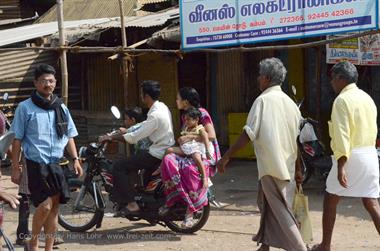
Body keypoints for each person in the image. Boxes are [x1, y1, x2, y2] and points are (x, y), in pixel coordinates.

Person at [217, 58, 306, 251]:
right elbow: (297, 140)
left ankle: (300, 248)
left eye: (259, 76)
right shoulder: (291, 104)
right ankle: (265, 245)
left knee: (282, 212)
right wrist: (298, 168)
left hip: (271, 167)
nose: (258, 79)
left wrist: (226, 157)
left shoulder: (263, 100)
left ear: (266, 78)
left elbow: (247, 134)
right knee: (266, 204)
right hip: (287, 166)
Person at [10, 64, 83, 251]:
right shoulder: (25, 108)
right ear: (36, 83)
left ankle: (48, 248)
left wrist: (75, 158)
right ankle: (33, 242)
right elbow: (17, 139)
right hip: (35, 164)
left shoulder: (61, 107)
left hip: (57, 163)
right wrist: (15, 167)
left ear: (55, 82)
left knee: (55, 209)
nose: (47, 84)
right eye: (43, 81)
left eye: (51, 81)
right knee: (45, 206)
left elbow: (69, 136)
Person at [311, 61, 380, 251]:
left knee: (330, 197)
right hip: (369, 154)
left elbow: (342, 135)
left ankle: (325, 245)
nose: (331, 82)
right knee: (371, 201)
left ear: (341, 79)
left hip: (351, 156)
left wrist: (341, 164)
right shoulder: (367, 98)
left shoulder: (342, 100)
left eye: (333, 78)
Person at [99, 80, 174, 215]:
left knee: (119, 167)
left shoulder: (156, 114)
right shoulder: (162, 107)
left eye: (141, 93)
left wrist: (111, 137)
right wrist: (128, 129)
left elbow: (134, 138)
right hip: (162, 148)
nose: (140, 96)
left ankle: (132, 204)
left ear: (145, 96)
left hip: (156, 152)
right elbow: (144, 125)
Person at [158, 87, 221, 228]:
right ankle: (172, 200)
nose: (176, 101)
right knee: (168, 160)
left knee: (188, 169)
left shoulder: (202, 113)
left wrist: (189, 137)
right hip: (189, 151)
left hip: (203, 152)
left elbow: (210, 136)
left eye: (178, 98)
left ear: (185, 101)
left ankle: (190, 211)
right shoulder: (185, 116)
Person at [166, 107, 212, 190]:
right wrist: (181, 140)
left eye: (188, 119)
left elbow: (206, 138)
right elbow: (183, 139)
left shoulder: (200, 128)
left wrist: (207, 151)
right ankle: (161, 168)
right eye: (185, 120)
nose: (186, 122)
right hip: (186, 149)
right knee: (169, 150)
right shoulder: (186, 128)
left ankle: (204, 178)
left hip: (195, 148)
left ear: (196, 119)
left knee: (197, 158)